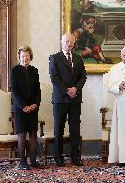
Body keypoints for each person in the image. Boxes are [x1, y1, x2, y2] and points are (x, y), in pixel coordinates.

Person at [49, 33, 87, 167]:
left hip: (75, 99)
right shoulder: (54, 58)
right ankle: (58, 157)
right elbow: (54, 78)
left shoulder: (78, 58)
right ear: (62, 42)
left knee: (75, 129)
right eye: (66, 42)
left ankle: (75, 157)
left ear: (74, 43)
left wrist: (75, 89)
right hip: (60, 100)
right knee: (58, 129)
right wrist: (67, 90)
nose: (68, 44)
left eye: (71, 42)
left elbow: (83, 77)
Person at [11, 45, 41, 170]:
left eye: (27, 56)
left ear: (30, 56)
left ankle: (33, 160)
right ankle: (23, 162)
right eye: (22, 56)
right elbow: (15, 91)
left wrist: (36, 103)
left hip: (33, 108)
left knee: (33, 134)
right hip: (20, 109)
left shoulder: (34, 70)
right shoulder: (15, 70)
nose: (25, 58)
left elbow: (37, 90)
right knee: (22, 134)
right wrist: (23, 106)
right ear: (19, 57)